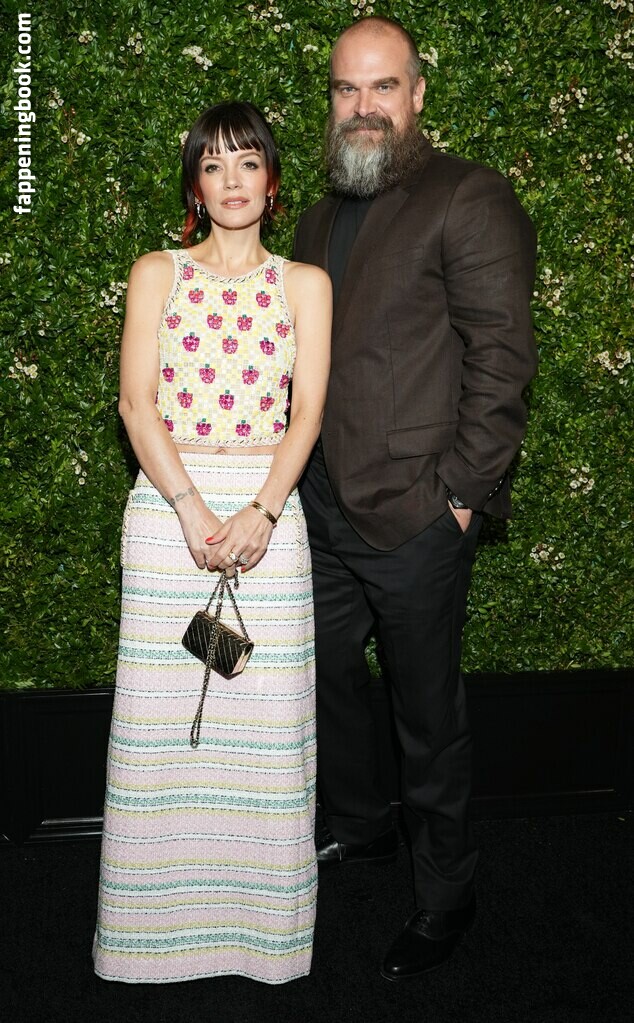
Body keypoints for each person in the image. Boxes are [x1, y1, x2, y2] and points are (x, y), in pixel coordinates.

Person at [294, 17, 537, 981]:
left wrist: (461, 499)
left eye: (383, 87)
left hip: (416, 515)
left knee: (426, 714)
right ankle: (361, 828)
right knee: (324, 681)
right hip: (320, 509)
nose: (364, 107)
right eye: (347, 89)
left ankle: (446, 892)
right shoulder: (318, 214)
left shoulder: (467, 195)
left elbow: (501, 358)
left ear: (418, 95)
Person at [93, 101, 331, 985]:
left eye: (249, 162)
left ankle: (263, 940)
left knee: (267, 736)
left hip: (271, 515)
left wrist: (263, 510)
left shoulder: (306, 284)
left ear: (273, 180)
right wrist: (192, 508)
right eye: (214, 164)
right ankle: (148, 938)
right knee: (161, 734)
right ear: (196, 183)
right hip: (169, 514)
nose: (233, 180)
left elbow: (307, 414)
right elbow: (136, 404)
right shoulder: (156, 271)